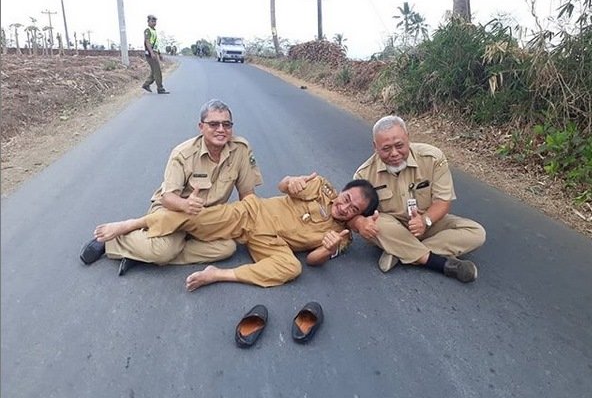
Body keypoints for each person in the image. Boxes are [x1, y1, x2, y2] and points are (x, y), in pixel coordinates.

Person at [90, 173, 379, 290]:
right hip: (252, 215)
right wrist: (290, 183)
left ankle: (217, 274)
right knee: (196, 219)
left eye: (354, 209)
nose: (345, 208)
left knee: (292, 268)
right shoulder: (321, 187)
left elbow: (313, 261)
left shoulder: (345, 238)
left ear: (359, 216)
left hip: (273, 243)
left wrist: (327, 249)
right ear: (342, 191)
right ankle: (132, 224)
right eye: (346, 199)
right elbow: (285, 185)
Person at [80, 99, 263, 275]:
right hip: (173, 212)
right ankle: (113, 243)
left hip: (209, 217)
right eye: (214, 124)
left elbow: (247, 194)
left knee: (227, 248)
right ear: (201, 127)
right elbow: (168, 198)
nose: (221, 130)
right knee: (164, 250)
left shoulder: (241, 149)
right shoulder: (183, 154)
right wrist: (185, 205)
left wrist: (256, 225)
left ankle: (144, 254)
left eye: (227, 124)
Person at [350, 115, 486, 283]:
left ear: (408, 137)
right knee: (377, 223)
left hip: (428, 222)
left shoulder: (433, 158)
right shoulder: (363, 175)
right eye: (386, 149)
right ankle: (433, 260)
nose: (394, 153)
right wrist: (359, 223)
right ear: (375, 147)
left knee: (476, 233)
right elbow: (352, 213)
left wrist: (425, 220)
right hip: (391, 229)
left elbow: (443, 202)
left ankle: (399, 253)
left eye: (399, 145)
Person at [141, 14, 169, 94]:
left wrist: (159, 54)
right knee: (157, 71)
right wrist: (152, 53)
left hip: (154, 52)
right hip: (150, 54)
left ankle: (146, 84)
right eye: (152, 21)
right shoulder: (148, 30)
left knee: (154, 72)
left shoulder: (154, 31)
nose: (154, 23)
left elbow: (155, 44)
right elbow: (147, 42)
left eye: (155, 21)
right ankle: (160, 88)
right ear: (148, 22)